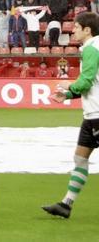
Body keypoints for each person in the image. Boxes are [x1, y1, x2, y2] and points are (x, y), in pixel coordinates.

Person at [43, 11, 98, 219]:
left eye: (76, 27)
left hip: (97, 114)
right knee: (80, 158)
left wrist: (69, 85)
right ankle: (66, 204)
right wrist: (67, 94)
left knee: (80, 159)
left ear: (87, 29)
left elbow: (86, 81)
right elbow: (91, 85)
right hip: (91, 114)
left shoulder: (92, 48)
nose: (72, 30)